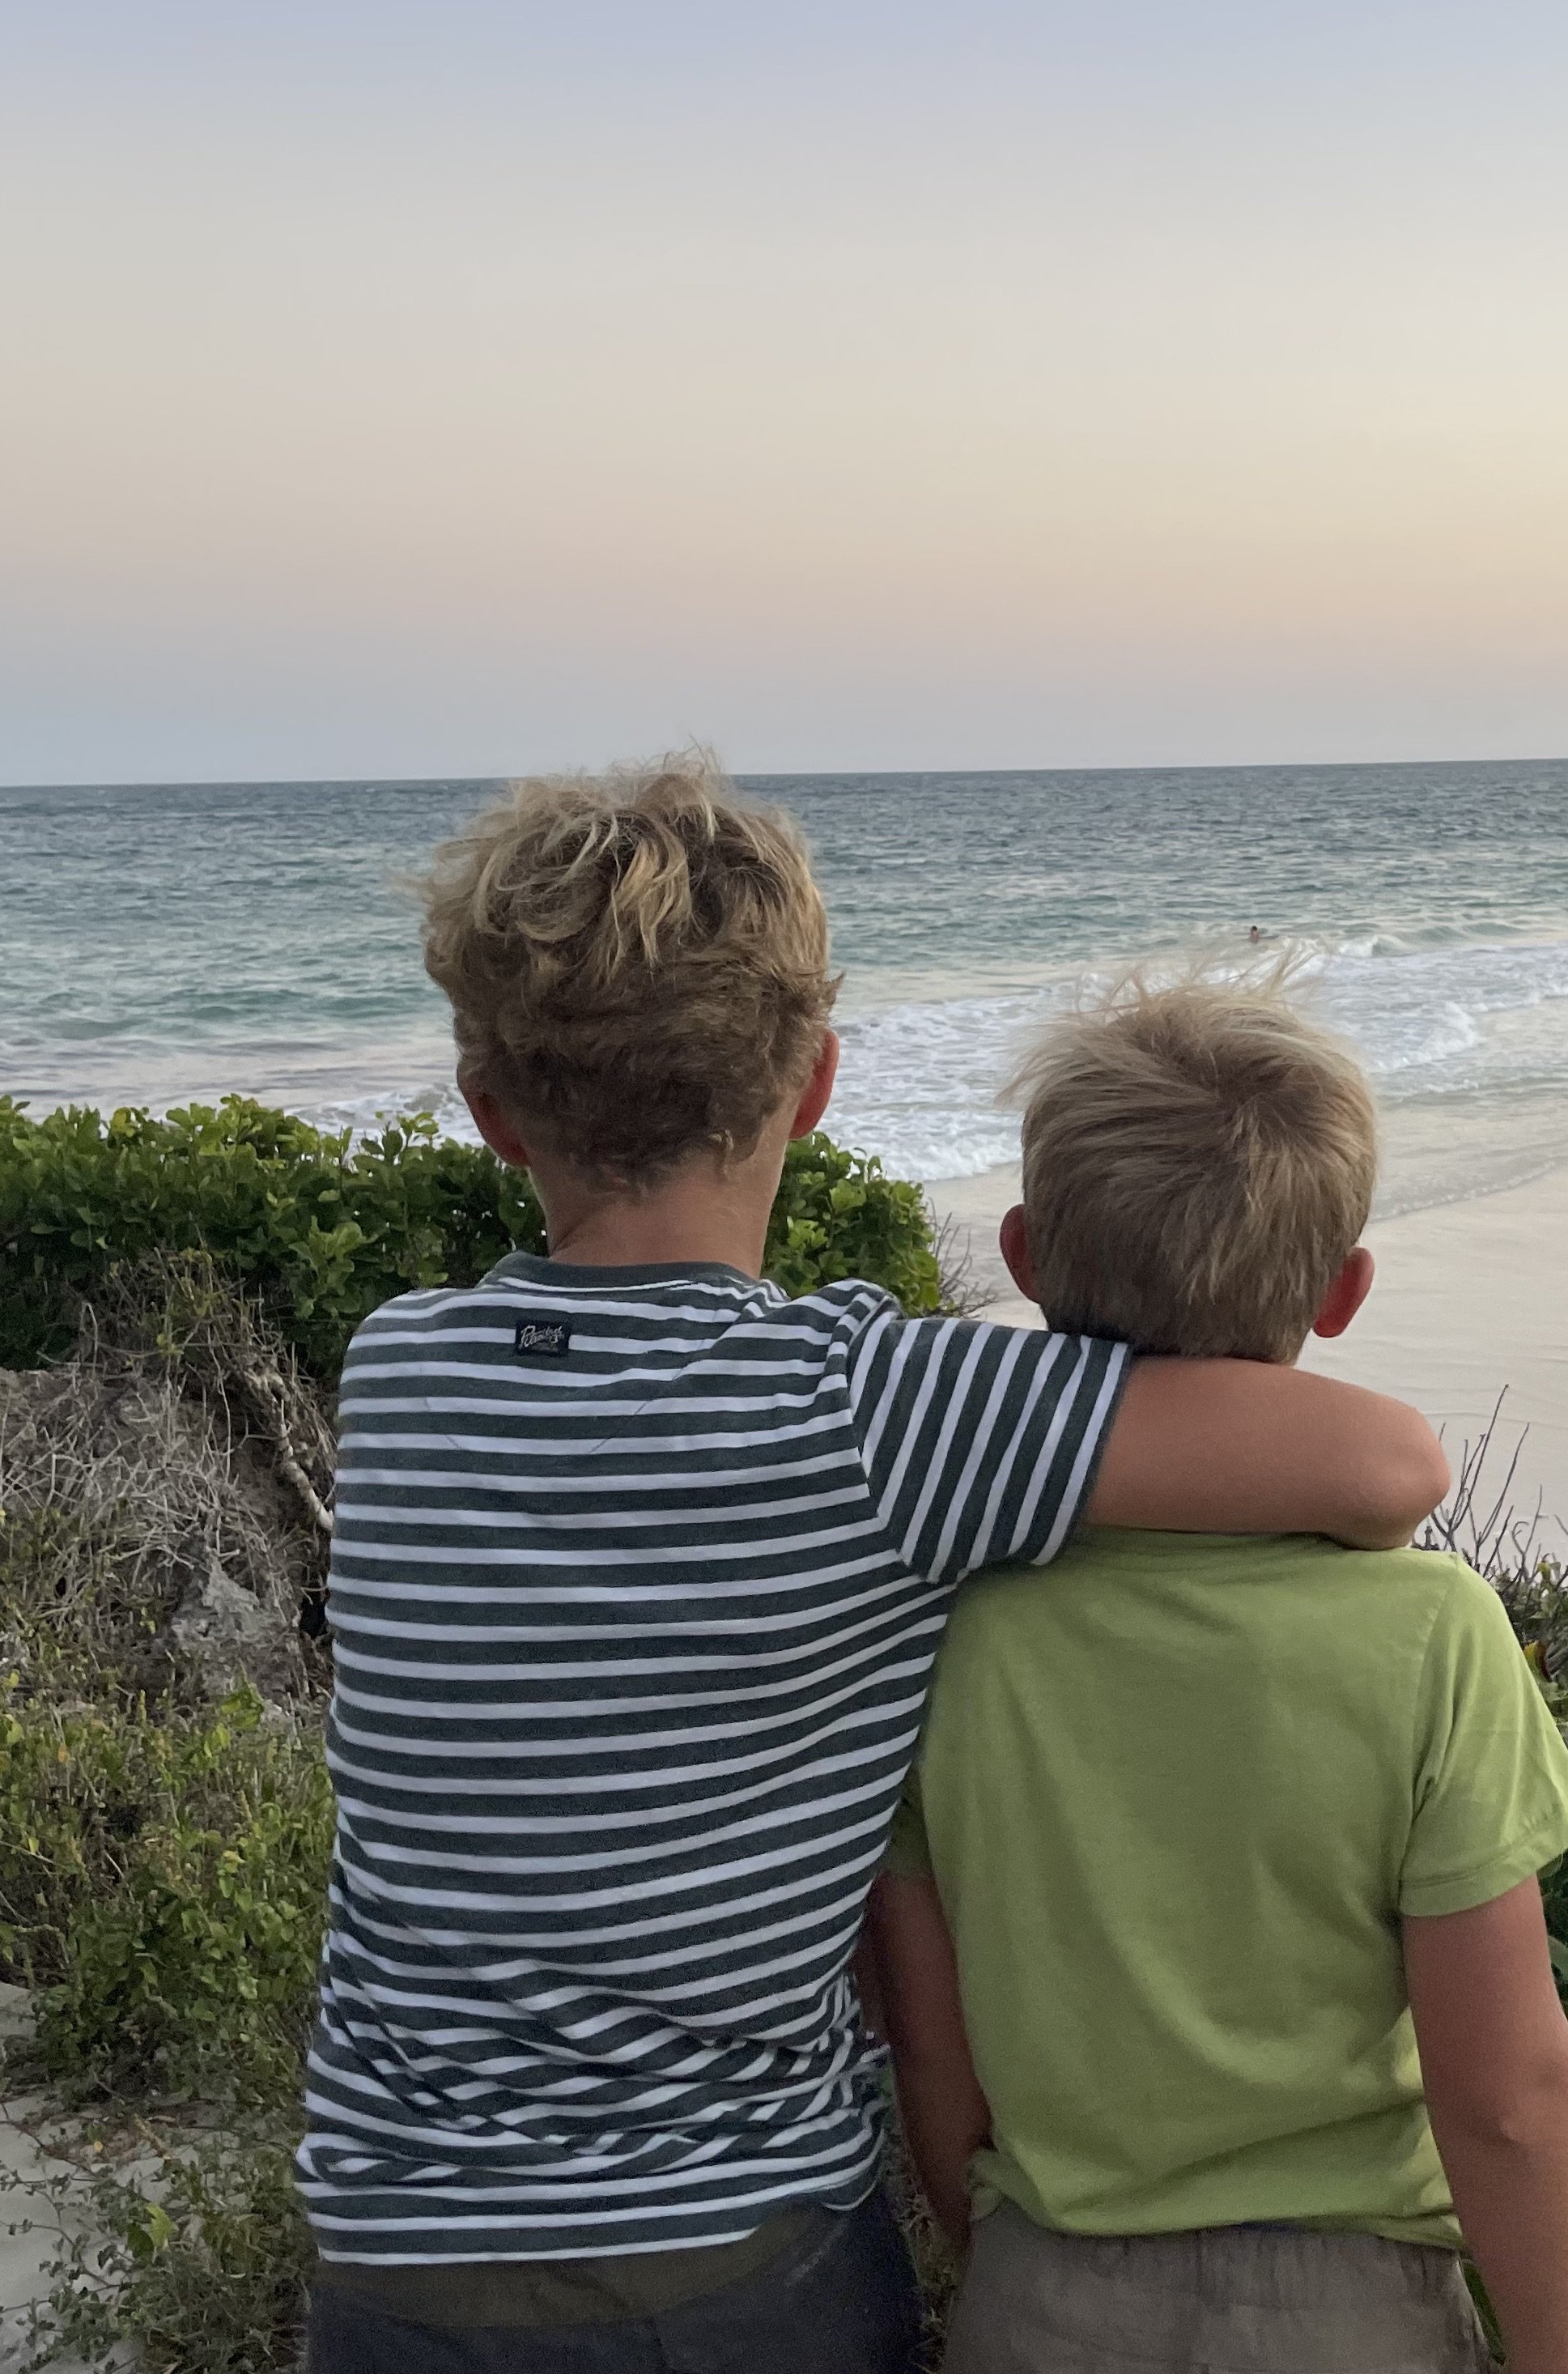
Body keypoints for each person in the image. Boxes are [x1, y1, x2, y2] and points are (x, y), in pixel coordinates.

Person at [295, 759, 1453, 2374]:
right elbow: (1386, 1465)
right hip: (734, 2266)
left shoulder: (403, 1365)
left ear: (490, 1111)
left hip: (394, 2265)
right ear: (820, 1082)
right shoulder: (871, 1408)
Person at [872, 972, 1568, 2374]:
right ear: (1342, 1292)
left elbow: (931, 2042)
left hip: (1048, 2293)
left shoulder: (943, 1625)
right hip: (1356, 2311)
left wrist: (999, 2255)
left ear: (1024, 1256)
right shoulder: (1431, 1632)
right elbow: (1506, 2093)